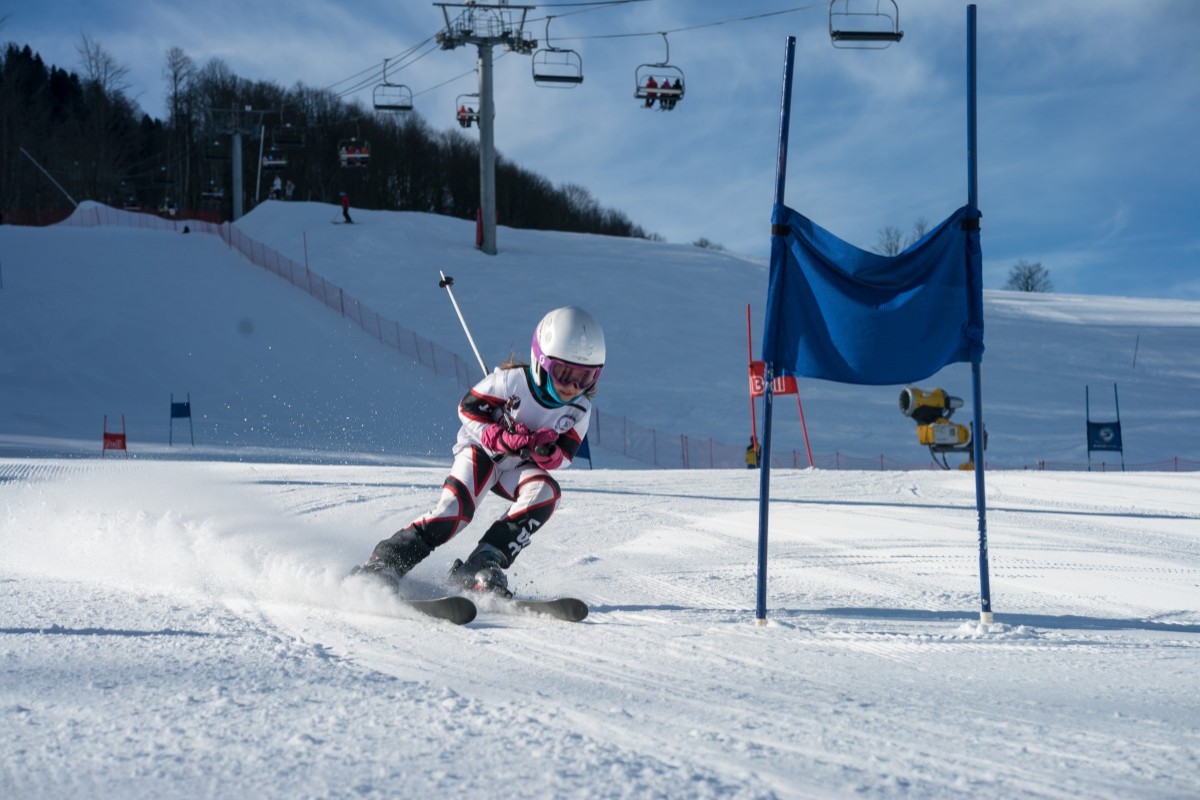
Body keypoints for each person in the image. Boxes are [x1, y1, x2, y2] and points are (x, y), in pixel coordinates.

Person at [354, 306, 605, 597]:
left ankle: (481, 563)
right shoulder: (511, 382)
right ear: (541, 362)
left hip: (516, 467)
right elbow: (467, 409)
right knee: (454, 512)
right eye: (563, 374)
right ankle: (386, 561)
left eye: (585, 379)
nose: (573, 387)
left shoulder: (579, 409)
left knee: (546, 492)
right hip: (482, 453)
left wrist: (544, 451)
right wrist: (499, 437)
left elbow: (565, 455)